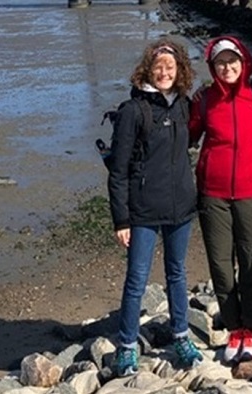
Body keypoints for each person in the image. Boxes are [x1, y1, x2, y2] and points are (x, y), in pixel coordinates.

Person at [107, 38, 202, 377]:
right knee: (137, 280)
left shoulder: (184, 106)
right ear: (148, 69)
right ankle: (127, 347)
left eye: (170, 67)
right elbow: (118, 172)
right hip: (143, 211)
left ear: (180, 72)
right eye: (158, 66)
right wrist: (122, 219)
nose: (164, 72)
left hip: (181, 208)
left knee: (177, 274)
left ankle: (181, 336)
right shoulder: (133, 111)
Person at [188, 36, 252, 364]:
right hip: (213, 194)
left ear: (244, 62)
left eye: (233, 60)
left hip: (251, 192)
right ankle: (234, 327)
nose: (228, 67)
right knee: (221, 265)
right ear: (213, 67)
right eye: (221, 62)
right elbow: (185, 136)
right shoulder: (204, 100)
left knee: (251, 261)